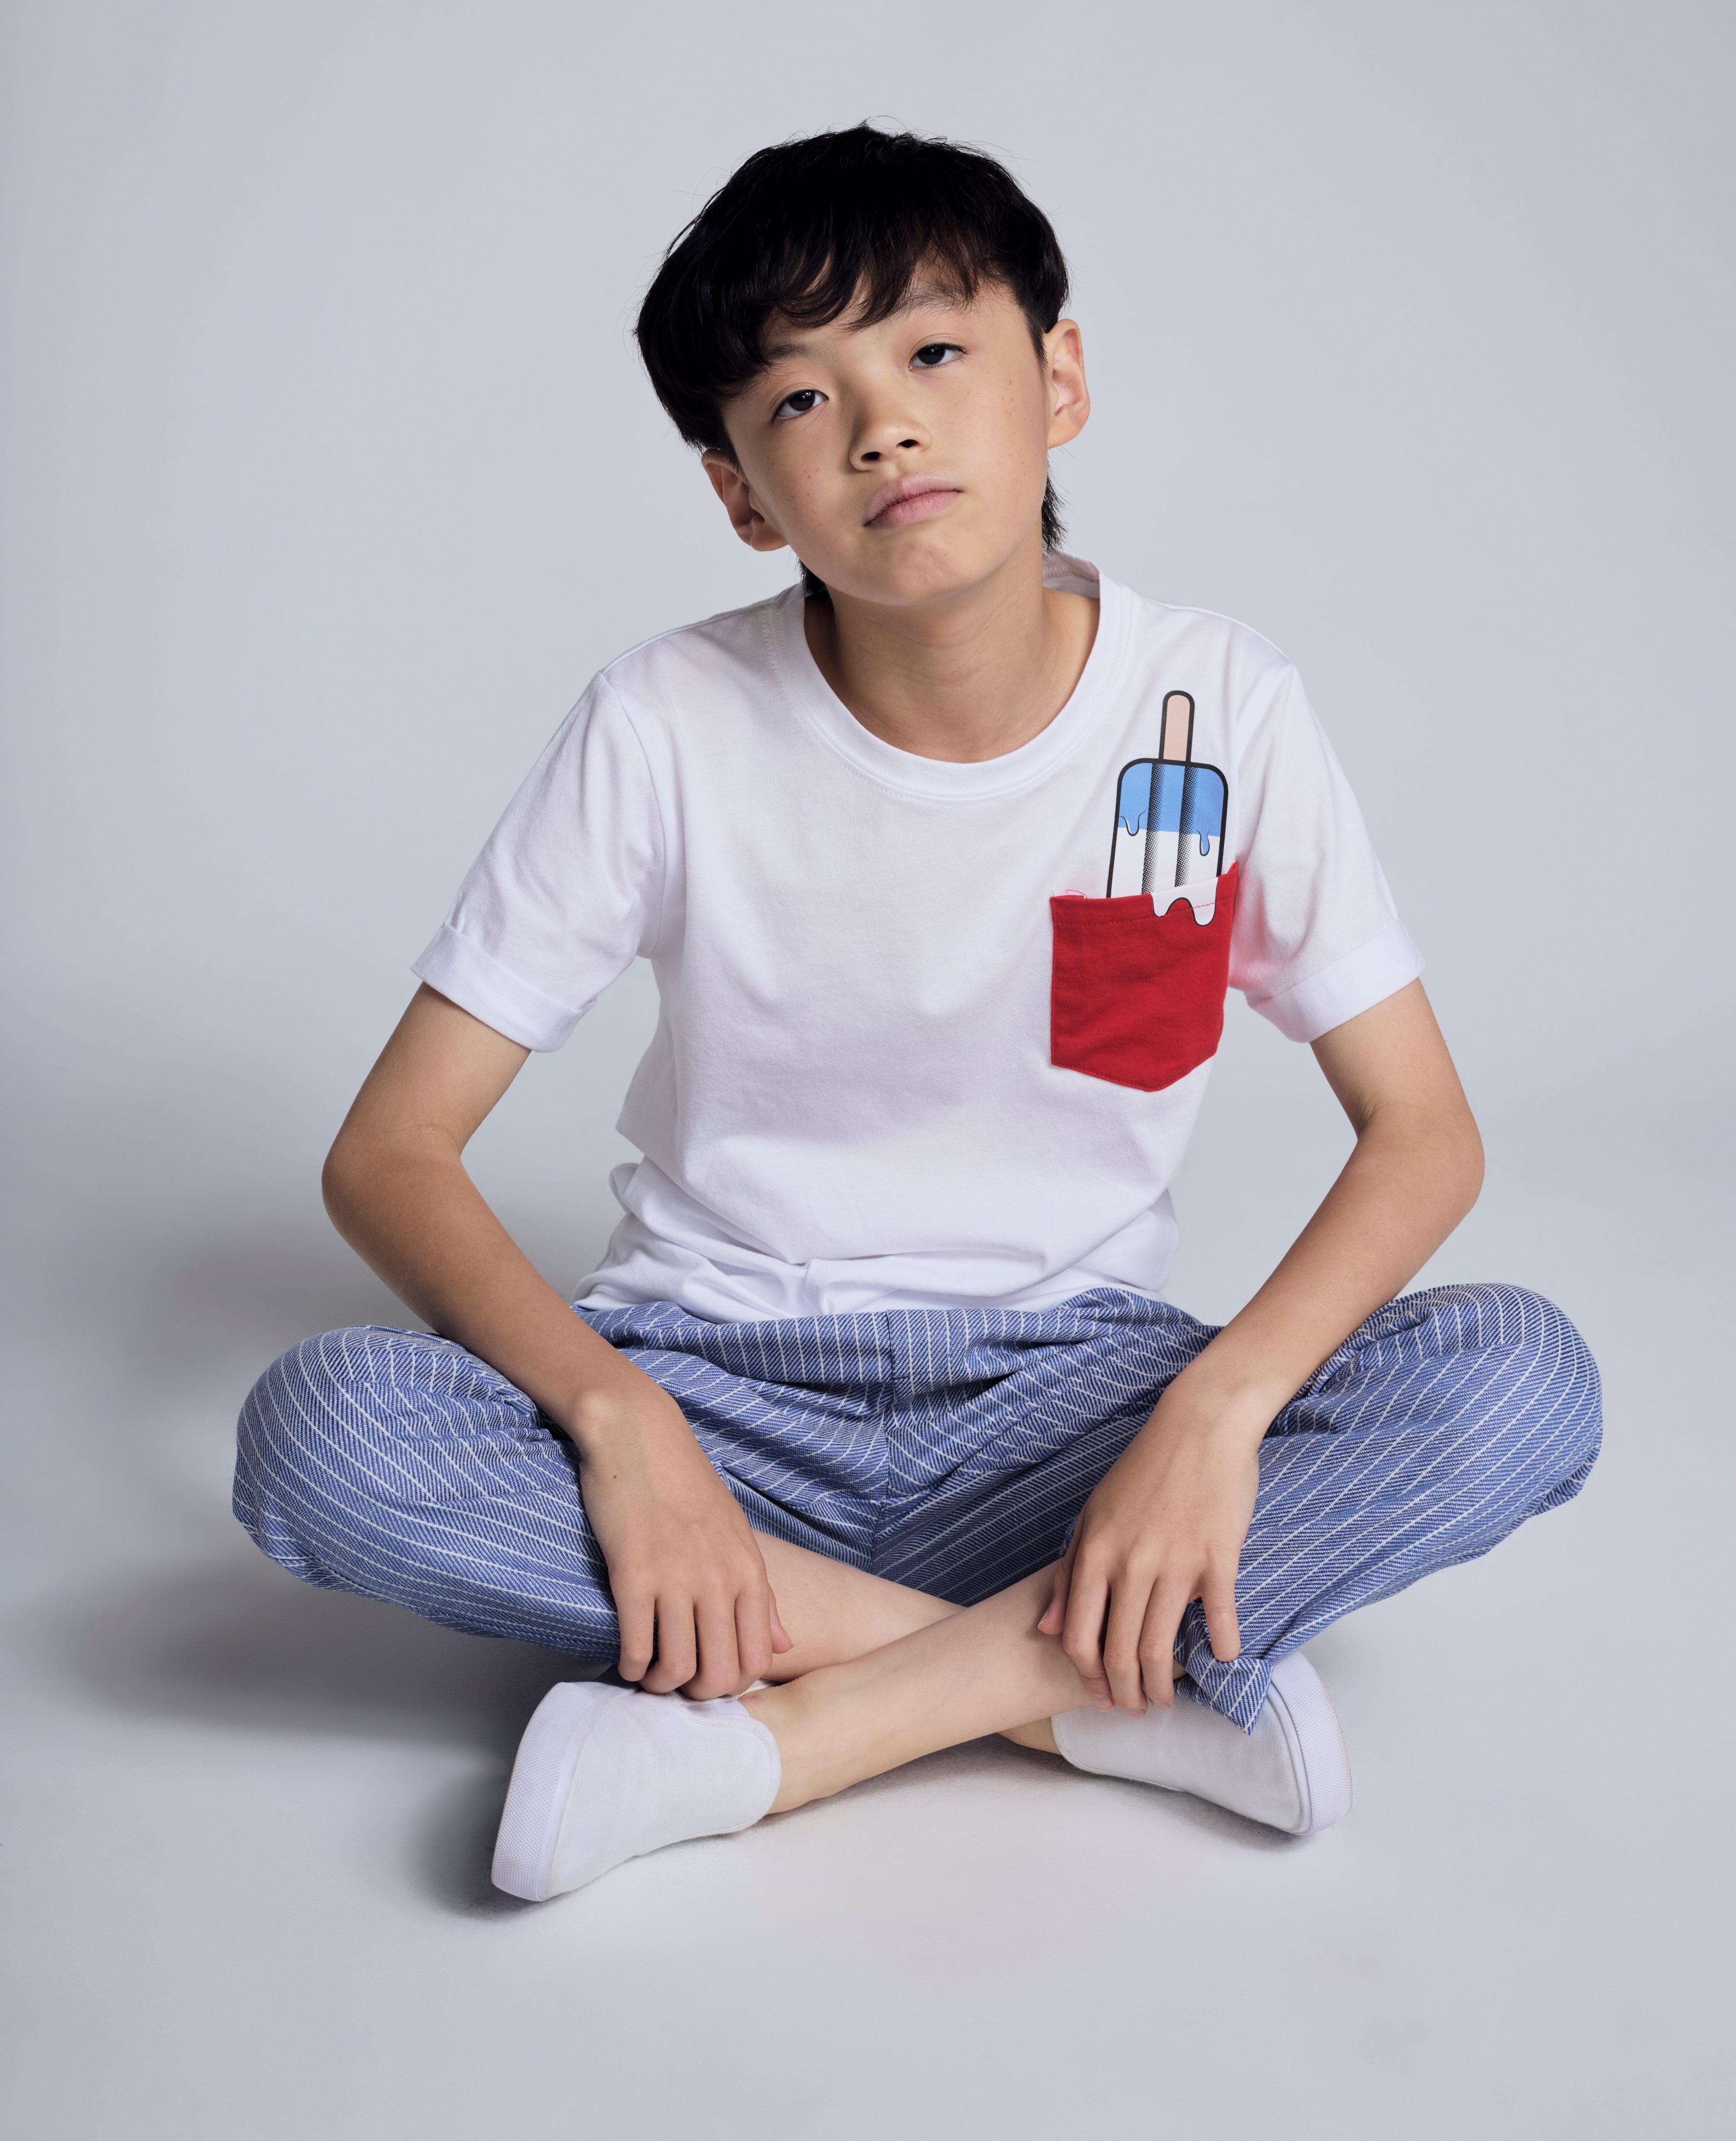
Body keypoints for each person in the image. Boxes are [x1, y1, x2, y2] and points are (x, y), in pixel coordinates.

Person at [236, 125, 1600, 1902]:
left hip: (1079, 1405)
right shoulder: (664, 722)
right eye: (798, 402)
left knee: (1516, 1378)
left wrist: (1209, 1421)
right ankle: (1095, 1694)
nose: (880, 425)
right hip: (716, 1396)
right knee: (321, 1432)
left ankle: (782, 1731)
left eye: (933, 353)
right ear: (739, 492)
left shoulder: (1219, 705)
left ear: (1063, 376)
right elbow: (389, 1152)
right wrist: (625, 1430)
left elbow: (1428, 1129)